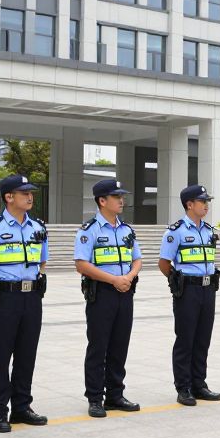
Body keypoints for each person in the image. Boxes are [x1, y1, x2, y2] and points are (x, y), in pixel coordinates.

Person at [0, 174, 49, 434]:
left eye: (31, 192)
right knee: (1, 355)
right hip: (5, 298)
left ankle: (21, 407)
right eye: (24, 193)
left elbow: (42, 261)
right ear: (8, 197)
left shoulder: (38, 228)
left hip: (32, 297)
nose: (30, 197)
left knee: (27, 353)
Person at [75, 178, 143, 418]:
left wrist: (129, 277)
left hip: (125, 292)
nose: (121, 200)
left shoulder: (127, 230)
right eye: (116, 197)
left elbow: (137, 259)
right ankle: (95, 398)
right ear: (102, 201)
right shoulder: (89, 230)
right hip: (102, 294)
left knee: (119, 345)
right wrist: (113, 280)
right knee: (98, 346)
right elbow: (81, 264)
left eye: (122, 196)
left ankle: (115, 394)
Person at [158, 184, 220, 406]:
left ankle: (199, 384)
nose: (206, 205)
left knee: (203, 338)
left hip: (208, 288)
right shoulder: (175, 232)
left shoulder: (208, 230)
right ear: (189, 204)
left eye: (207, 201)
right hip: (187, 290)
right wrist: (178, 282)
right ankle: (183, 387)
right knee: (185, 338)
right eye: (202, 201)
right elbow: (164, 263)